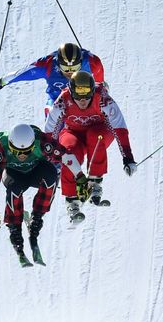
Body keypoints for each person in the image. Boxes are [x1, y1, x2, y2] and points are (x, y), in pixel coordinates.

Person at [0, 123, 89, 267]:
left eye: (27, 151)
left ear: (33, 144)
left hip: (36, 171)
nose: (21, 155)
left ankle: (37, 218)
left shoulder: (42, 141)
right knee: (14, 188)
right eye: (17, 151)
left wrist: (80, 177)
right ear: (11, 145)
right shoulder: (1, 146)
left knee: (51, 175)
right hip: (14, 175)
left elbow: (66, 156)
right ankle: (15, 229)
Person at [44, 71, 138, 223]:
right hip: (73, 132)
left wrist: (128, 157)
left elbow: (119, 127)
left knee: (95, 135)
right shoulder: (64, 99)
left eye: (87, 96)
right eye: (78, 96)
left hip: (100, 130)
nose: (82, 101)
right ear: (71, 91)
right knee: (68, 150)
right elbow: (50, 129)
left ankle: (95, 182)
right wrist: (47, 158)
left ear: (93, 91)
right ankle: (72, 200)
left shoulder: (102, 98)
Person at [0, 43, 105, 112]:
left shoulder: (92, 62)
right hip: (58, 101)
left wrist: (101, 87)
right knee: (52, 112)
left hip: (84, 99)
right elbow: (22, 73)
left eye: (74, 68)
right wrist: (1, 82)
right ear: (58, 63)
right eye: (65, 68)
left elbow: (100, 81)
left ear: (81, 61)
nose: (70, 73)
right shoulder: (47, 65)